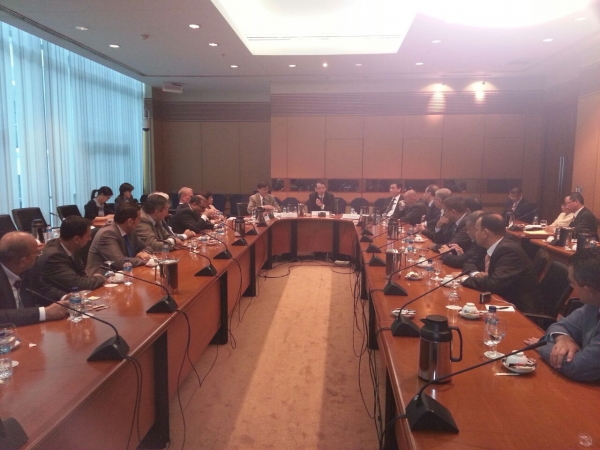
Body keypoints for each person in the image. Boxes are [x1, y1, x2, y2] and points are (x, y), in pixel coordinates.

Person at [525, 247, 600, 382]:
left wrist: (542, 345)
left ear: (588, 290)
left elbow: (577, 367)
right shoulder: (593, 303)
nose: (571, 286)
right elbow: (560, 325)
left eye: (572, 282)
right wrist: (564, 338)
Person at [462, 213, 539, 313]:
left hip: (518, 310)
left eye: (476, 230)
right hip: (499, 299)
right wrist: (476, 274)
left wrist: (465, 279)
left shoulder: (508, 250)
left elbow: (493, 285)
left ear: (485, 233)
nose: (475, 233)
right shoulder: (490, 246)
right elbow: (469, 263)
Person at [0, 232, 69, 326]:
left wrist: (65, 297)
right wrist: (43, 313)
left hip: (30, 328)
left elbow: (41, 289)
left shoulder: (29, 269)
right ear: (23, 261)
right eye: (37, 253)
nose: (39, 255)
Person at [37, 216, 106, 292]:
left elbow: (82, 275)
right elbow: (77, 284)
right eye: (88, 236)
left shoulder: (71, 246)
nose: (90, 239)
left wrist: (91, 280)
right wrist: (100, 278)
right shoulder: (54, 256)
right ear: (76, 239)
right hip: (59, 297)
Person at [86, 203, 152, 275]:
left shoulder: (130, 231)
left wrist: (144, 254)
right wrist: (145, 259)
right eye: (138, 220)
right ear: (130, 221)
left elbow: (147, 247)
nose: (139, 222)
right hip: (104, 277)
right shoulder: (108, 233)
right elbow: (120, 263)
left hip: (125, 273)